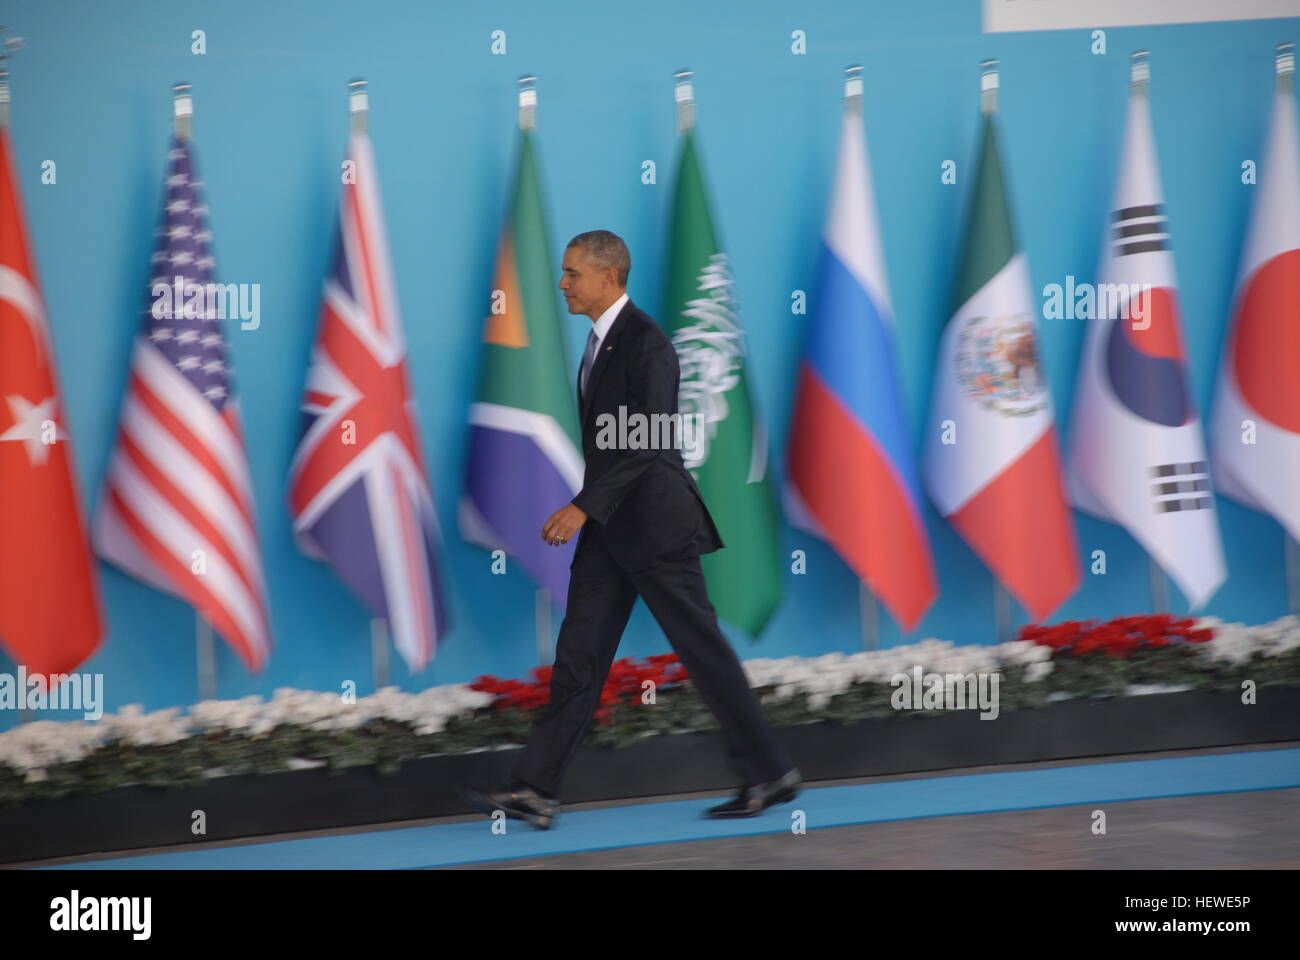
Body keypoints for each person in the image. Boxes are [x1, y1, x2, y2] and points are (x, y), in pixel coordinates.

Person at [458, 230, 799, 829]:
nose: (563, 284)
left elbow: (649, 444)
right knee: (578, 657)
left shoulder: (647, 344)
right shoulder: (599, 342)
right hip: (611, 531)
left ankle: (769, 774)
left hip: (658, 528)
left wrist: (581, 507)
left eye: (572, 274)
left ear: (608, 277)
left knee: (704, 652)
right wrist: (594, 511)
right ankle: (535, 789)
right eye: (563, 274)